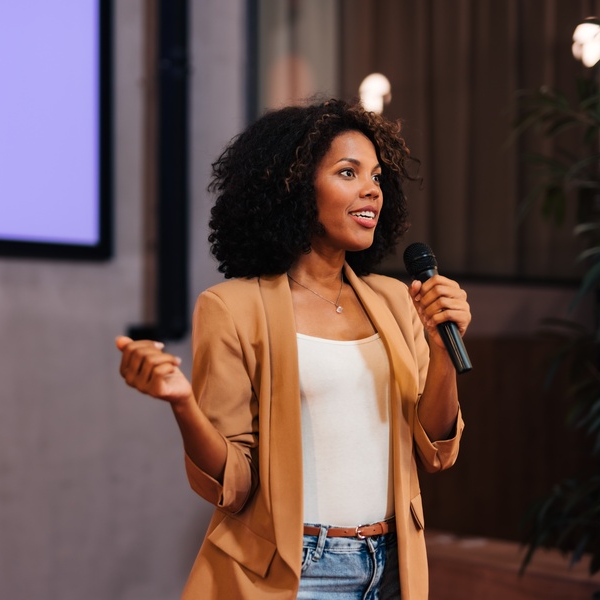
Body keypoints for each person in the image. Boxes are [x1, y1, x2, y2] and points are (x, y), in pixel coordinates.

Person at [116, 98, 469, 599]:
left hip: (392, 566)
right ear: (295, 186)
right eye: (348, 172)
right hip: (298, 571)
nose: (373, 188)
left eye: (376, 176)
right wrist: (182, 402)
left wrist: (442, 349)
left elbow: (435, 451)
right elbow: (232, 484)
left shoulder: (396, 300)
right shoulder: (231, 307)